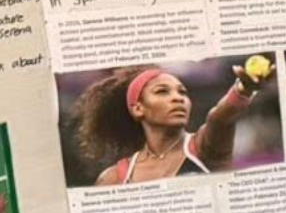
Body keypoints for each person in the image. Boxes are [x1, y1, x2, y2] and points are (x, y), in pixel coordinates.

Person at [79, 62, 270, 185]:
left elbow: (219, 118)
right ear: (138, 109)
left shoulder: (204, 148)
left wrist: (243, 89)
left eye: (182, 92)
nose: (177, 98)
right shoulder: (114, 178)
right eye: (162, 91)